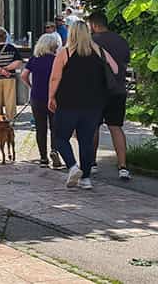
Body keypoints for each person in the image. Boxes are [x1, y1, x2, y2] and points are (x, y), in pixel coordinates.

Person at [49, 20, 119, 190]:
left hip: (68, 102)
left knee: (60, 138)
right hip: (94, 103)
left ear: (71, 34)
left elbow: (55, 77)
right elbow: (115, 69)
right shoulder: (99, 51)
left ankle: (73, 166)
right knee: (86, 141)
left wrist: (51, 96)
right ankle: (86, 178)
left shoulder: (65, 53)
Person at [89, 11, 132, 181]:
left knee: (93, 126)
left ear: (93, 25)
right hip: (118, 89)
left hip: (95, 90)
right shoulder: (121, 40)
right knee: (116, 127)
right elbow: (126, 62)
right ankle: (123, 166)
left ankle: (91, 163)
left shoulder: (92, 41)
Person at [23, 32, 63, 168]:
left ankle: (43, 158)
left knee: (40, 128)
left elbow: (24, 75)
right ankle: (54, 151)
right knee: (55, 127)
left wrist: (30, 86)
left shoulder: (34, 59)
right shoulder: (56, 59)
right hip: (53, 97)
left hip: (36, 97)